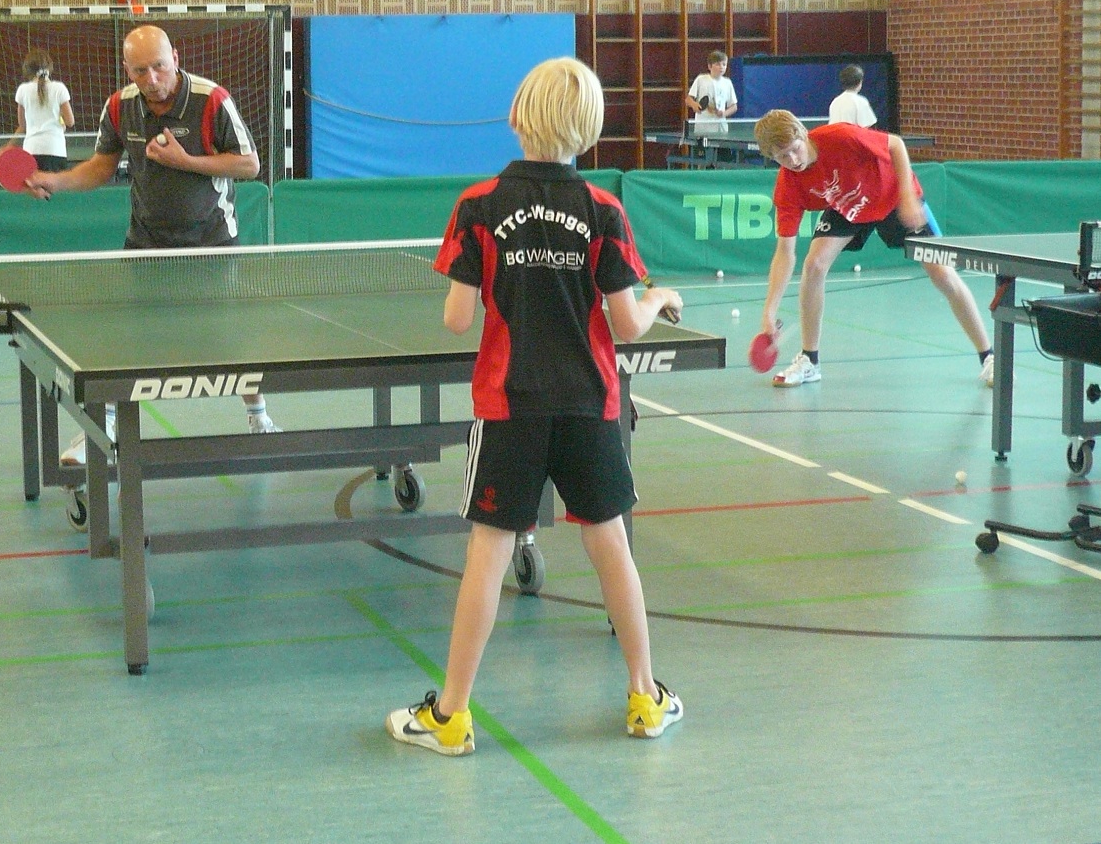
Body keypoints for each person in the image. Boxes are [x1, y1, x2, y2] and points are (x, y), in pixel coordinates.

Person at [385, 57, 686, 756]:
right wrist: (657, 297)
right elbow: (628, 326)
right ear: (591, 129)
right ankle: (646, 697)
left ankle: (451, 715)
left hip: (508, 405)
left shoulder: (479, 204)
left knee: (488, 551)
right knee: (610, 542)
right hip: (589, 403)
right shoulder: (604, 210)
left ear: (517, 117)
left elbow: (457, 319)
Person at [24, 24, 277, 465]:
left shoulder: (211, 100)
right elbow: (101, 166)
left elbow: (250, 165)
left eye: (159, 66)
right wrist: (55, 180)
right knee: (128, 339)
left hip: (211, 240)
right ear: (128, 69)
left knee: (228, 337)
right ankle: (100, 429)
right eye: (140, 70)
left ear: (175, 57)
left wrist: (185, 160)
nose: (152, 78)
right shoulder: (120, 106)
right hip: (147, 241)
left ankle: (259, 417)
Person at [752, 110, 992, 389]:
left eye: (795, 150)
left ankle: (989, 357)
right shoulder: (788, 186)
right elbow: (785, 252)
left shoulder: (840, 137)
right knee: (814, 265)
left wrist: (907, 196)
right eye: (782, 157)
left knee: (943, 275)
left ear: (803, 134)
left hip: (893, 196)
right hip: (849, 206)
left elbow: (896, 145)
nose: (793, 161)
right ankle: (809, 361)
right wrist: (769, 311)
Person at [9, 51, 75, 173]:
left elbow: (22, 125)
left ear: (28, 69)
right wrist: (61, 121)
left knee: (33, 186)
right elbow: (70, 122)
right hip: (56, 150)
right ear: (49, 67)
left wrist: (9, 145)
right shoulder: (59, 88)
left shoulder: (23, 90)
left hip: (31, 150)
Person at [684, 49, 737, 134]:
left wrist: (724, 113)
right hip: (702, 128)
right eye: (718, 64)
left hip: (721, 128)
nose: (721, 67)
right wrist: (694, 105)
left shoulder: (727, 83)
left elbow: (734, 106)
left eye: (724, 64)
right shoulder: (701, 79)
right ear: (709, 66)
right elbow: (688, 100)